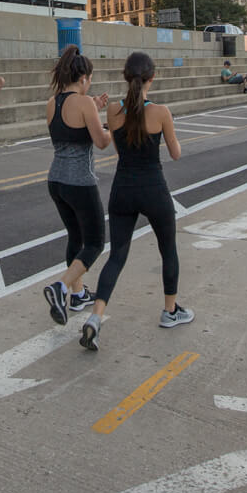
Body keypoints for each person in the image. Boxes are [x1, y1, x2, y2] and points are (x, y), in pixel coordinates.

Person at [80, 51, 188, 352]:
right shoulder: (162, 112)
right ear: (151, 78)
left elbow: (115, 144)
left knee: (117, 256)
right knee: (168, 250)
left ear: (126, 76)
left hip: (122, 189)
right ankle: (170, 311)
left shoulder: (113, 110)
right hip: (154, 188)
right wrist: (171, 132)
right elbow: (176, 153)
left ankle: (96, 317)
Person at [41, 45, 112, 324]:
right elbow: (102, 142)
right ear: (83, 78)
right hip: (79, 181)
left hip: (56, 180)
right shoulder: (83, 103)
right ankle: (59, 287)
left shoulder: (52, 102)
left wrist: (92, 109)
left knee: (75, 237)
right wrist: (115, 126)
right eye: (90, 79)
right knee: (94, 242)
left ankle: (78, 293)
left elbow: (70, 129)